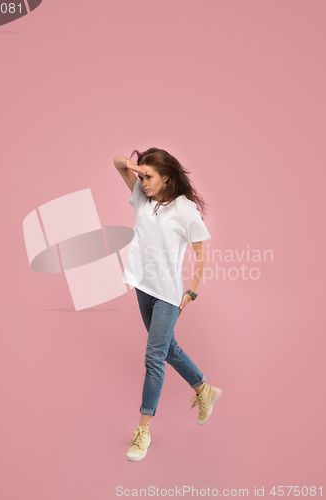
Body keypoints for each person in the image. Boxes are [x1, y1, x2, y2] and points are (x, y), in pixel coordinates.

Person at [113, 148, 222, 462]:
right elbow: (117, 163)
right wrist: (138, 167)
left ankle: (143, 430)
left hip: (168, 295)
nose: (143, 182)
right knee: (167, 348)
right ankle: (204, 389)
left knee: (154, 356)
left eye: (149, 177)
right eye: (141, 177)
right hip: (142, 287)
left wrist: (192, 292)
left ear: (167, 178)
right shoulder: (142, 197)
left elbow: (202, 254)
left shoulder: (185, 210)